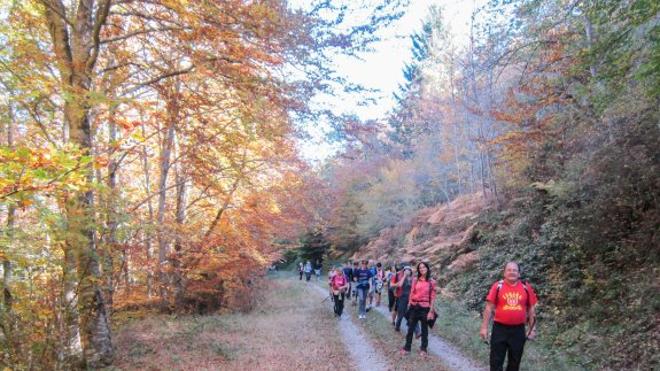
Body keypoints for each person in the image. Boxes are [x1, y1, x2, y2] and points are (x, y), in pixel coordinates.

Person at [480, 262, 538, 371]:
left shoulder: (526, 287)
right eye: (509, 270)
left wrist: (532, 329)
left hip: (518, 331)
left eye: (515, 270)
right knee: (496, 362)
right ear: (504, 273)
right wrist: (484, 327)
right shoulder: (498, 286)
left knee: (514, 363)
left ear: (519, 274)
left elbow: (531, 309)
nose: (512, 272)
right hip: (499, 329)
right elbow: (489, 308)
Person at [402, 262, 436, 356]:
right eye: (420, 268)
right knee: (410, 329)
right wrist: (409, 304)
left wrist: (431, 311)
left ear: (427, 268)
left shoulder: (431, 282)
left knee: (424, 330)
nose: (422, 269)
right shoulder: (415, 280)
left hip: (425, 308)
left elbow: (433, 297)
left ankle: (423, 349)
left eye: (424, 267)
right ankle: (407, 348)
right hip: (414, 306)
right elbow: (412, 292)